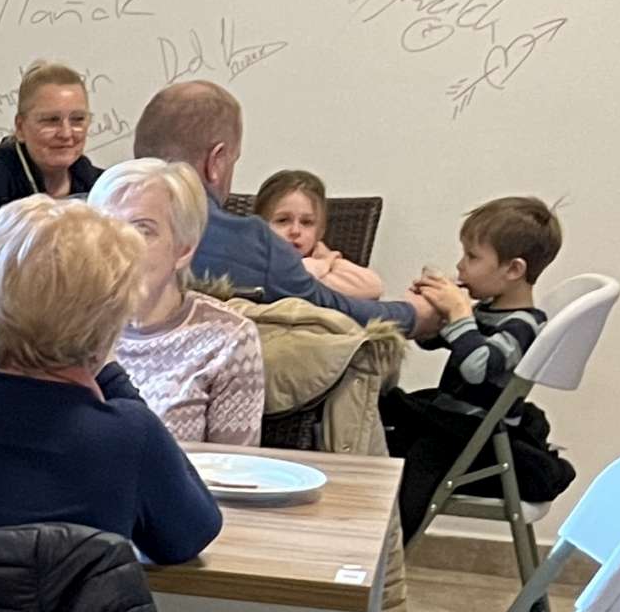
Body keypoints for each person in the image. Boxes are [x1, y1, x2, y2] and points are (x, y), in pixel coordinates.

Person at [0, 196, 222, 565]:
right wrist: (107, 369)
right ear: (108, 325)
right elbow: (190, 535)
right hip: (61, 607)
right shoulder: (126, 437)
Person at [133, 81, 431, 336]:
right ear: (216, 161)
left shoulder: (102, 224)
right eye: (234, 161)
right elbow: (331, 313)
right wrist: (414, 313)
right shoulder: (251, 245)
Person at [383, 195, 577, 538]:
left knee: (415, 465)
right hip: (455, 422)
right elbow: (440, 343)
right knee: (385, 413)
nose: (461, 266)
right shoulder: (487, 309)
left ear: (513, 270)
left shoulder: (523, 325)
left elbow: (477, 367)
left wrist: (460, 314)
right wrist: (435, 315)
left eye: (472, 257)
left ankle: (390, 545)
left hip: (473, 438)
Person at [91, 159, 266, 447]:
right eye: (108, 228)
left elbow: (235, 467)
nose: (120, 247)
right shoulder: (71, 327)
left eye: (142, 230)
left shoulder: (228, 337)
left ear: (183, 249)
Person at [0, 61, 101, 248]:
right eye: (51, 120)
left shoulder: (99, 183)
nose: (66, 133)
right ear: (21, 127)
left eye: (78, 120)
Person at [253, 166, 384, 302]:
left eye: (306, 222)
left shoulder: (324, 260)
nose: (295, 231)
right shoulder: (249, 258)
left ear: (320, 231)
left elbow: (373, 286)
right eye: (283, 220)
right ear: (257, 227)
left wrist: (312, 270)